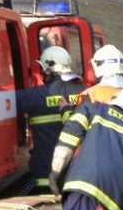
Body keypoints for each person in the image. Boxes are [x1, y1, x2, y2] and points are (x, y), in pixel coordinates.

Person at [15, 46, 85, 194]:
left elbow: (2, 101)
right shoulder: (85, 93)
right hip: (79, 175)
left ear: (46, 69)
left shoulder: (34, 95)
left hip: (46, 175)